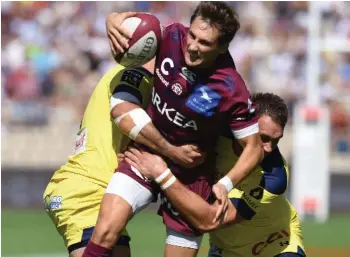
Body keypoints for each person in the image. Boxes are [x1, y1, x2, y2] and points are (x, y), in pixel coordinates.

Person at [83, 2, 263, 257]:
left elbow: (254, 149)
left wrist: (224, 184)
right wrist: (112, 20)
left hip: (190, 173)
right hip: (147, 154)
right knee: (104, 232)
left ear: (222, 47)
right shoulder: (171, 35)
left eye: (204, 43)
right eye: (193, 35)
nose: (192, 46)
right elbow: (130, 25)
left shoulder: (231, 87)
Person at [43, 58, 204, 257]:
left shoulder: (147, 84)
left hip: (96, 191)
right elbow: (123, 113)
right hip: (85, 191)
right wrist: (171, 151)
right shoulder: (135, 74)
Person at [123, 93, 307, 257]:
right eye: (264, 137)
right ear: (247, 124)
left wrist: (161, 173)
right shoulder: (217, 133)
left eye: (276, 140)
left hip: (275, 246)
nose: (269, 148)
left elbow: (209, 221)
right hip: (226, 250)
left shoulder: (274, 176)